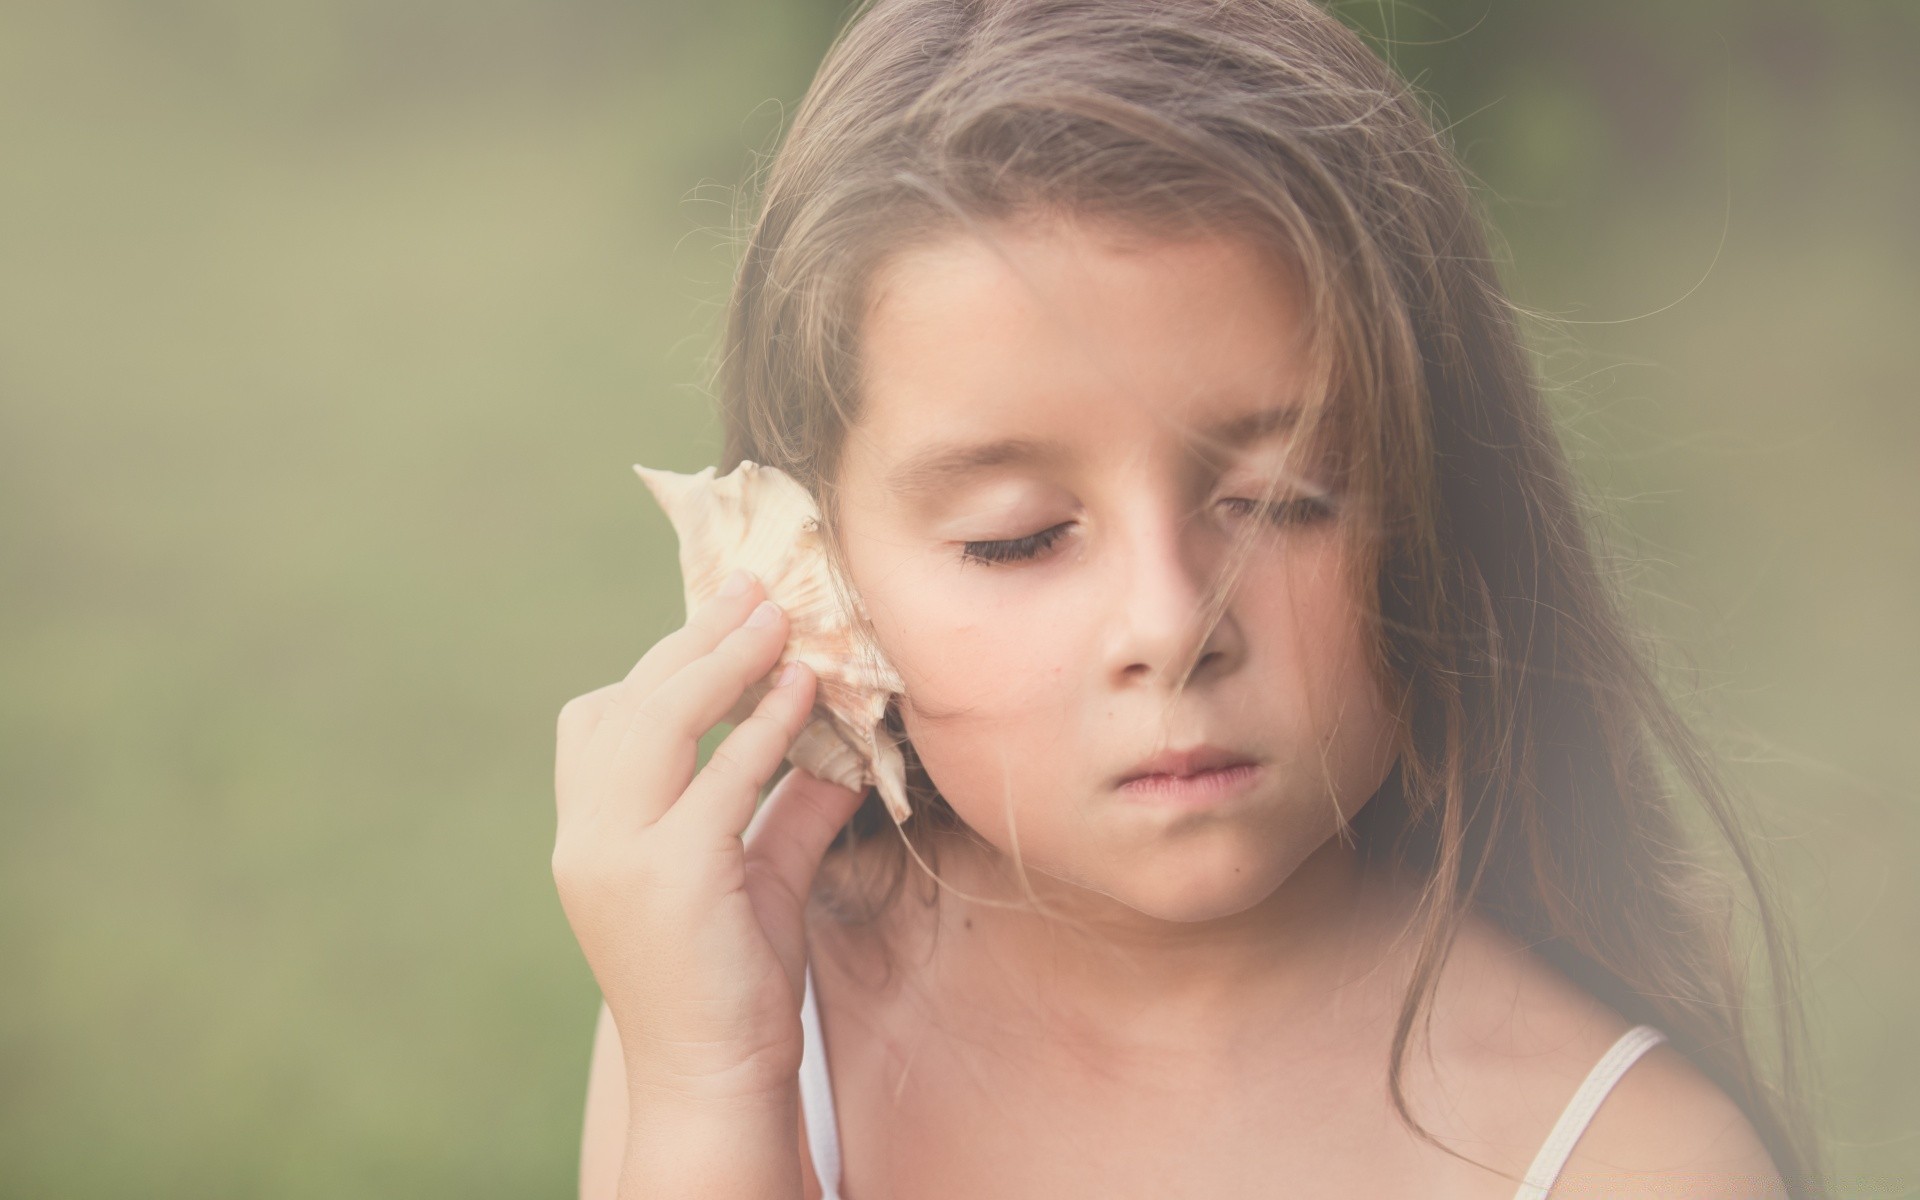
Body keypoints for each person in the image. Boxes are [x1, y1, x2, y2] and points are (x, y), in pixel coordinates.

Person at [550, 1, 1826, 1196]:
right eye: (1020, 540)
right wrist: (713, 1093)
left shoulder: (1628, 1159)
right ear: (814, 564)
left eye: (1282, 500)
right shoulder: (736, 1014)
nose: (1171, 625)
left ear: (1444, 504)